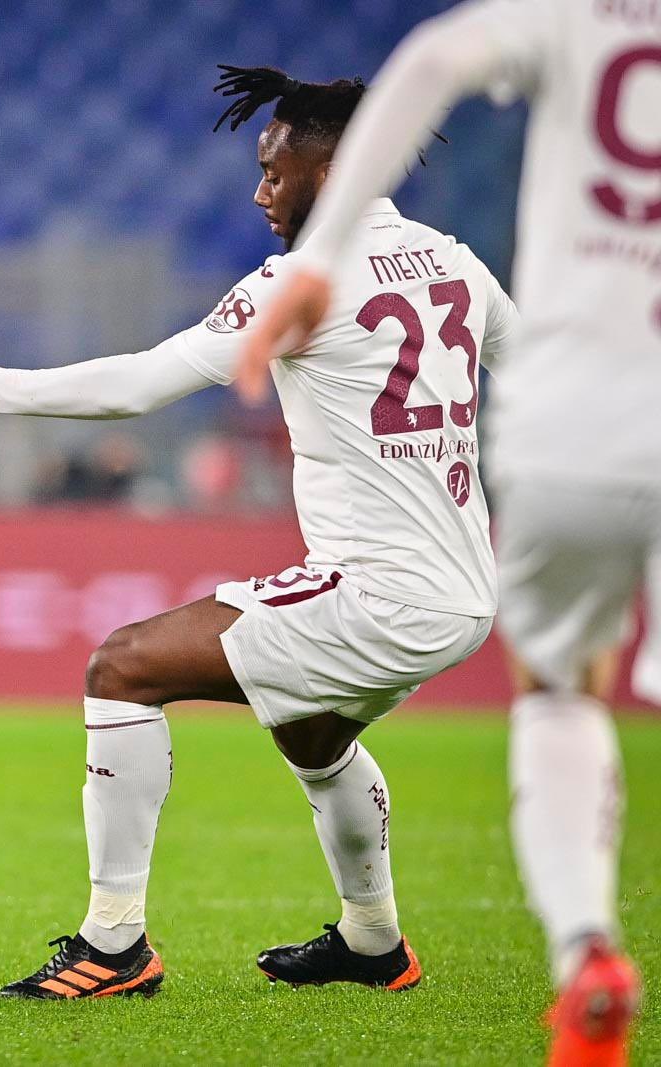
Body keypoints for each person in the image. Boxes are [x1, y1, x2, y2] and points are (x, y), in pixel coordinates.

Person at [0, 66, 517, 1001]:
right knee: (310, 729)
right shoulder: (455, 261)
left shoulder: (302, 281)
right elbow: (533, 365)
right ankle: (373, 942)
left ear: (333, 172)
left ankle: (114, 945)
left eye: (275, 170)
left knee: (123, 665)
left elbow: (140, 385)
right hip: (462, 588)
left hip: (383, 591)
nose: (260, 191)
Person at [236, 6, 652, 1063]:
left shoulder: (581, 19)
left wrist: (325, 255)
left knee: (562, 684)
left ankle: (586, 950)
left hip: (581, 408)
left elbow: (429, 60)